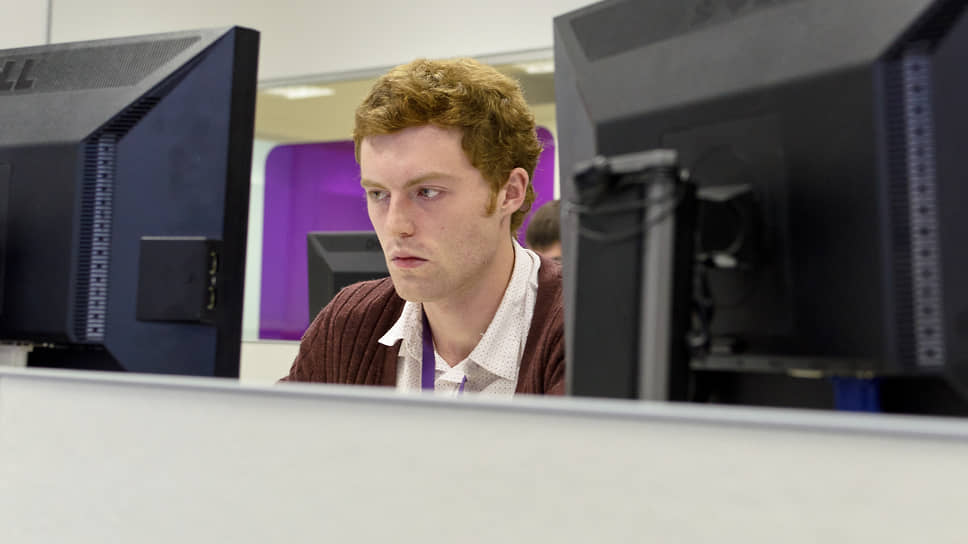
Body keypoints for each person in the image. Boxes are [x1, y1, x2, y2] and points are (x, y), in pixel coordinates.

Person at [281, 58, 564, 396]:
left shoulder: (583, 326)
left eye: (427, 192)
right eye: (378, 193)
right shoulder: (348, 325)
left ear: (509, 192)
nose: (395, 225)